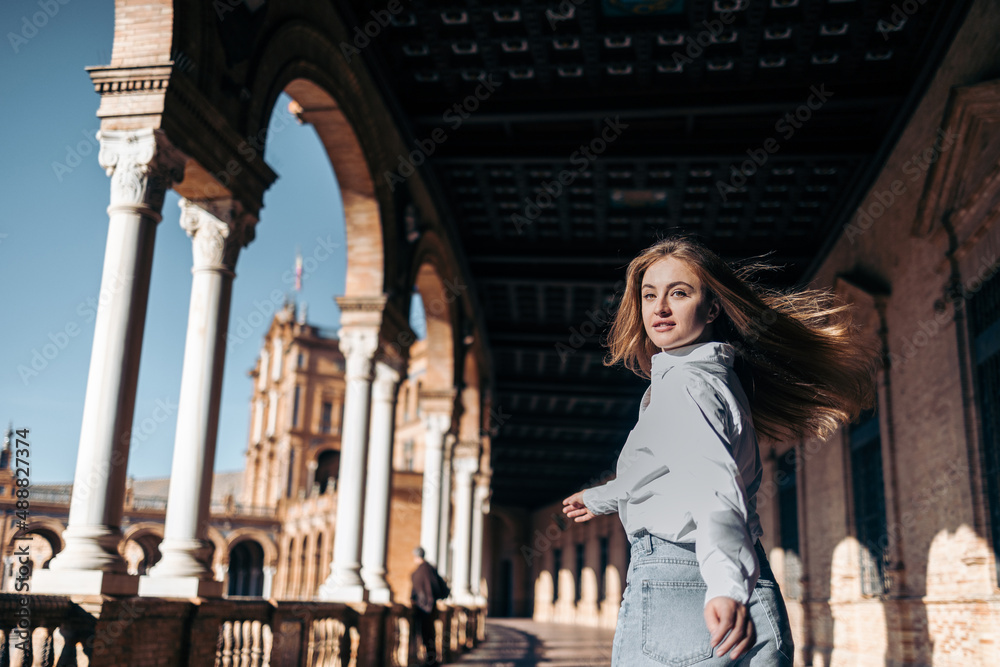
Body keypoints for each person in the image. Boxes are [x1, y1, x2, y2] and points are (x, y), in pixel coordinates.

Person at [562, 235, 877, 665]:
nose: (660, 308)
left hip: (686, 587)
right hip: (722, 581)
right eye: (649, 295)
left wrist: (727, 586)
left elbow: (713, 486)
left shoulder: (687, 384)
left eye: (679, 292)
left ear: (712, 308)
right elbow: (669, 474)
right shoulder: (704, 377)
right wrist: (602, 497)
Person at [410, 546, 450, 667]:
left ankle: (426, 660)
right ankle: (431, 659)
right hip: (430, 607)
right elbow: (441, 588)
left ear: (417, 557)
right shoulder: (431, 569)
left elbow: (414, 593)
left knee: (423, 634)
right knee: (430, 634)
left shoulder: (418, 572)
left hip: (421, 608)